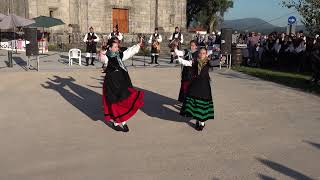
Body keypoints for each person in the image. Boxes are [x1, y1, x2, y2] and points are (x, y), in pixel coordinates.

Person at [100, 37, 144, 132]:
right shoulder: (107, 56)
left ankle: (118, 121)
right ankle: (121, 121)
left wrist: (138, 45)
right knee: (116, 101)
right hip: (112, 82)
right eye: (115, 46)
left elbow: (128, 52)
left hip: (122, 80)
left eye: (117, 46)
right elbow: (102, 59)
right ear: (110, 48)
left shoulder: (119, 54)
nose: (117, 48)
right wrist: (103, 51)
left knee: (124, 99)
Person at [175, 47, 214, 131]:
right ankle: (197, 120)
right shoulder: (194, 61)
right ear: (198, 54)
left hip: (204, 86)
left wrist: (222, 59)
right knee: (195, 104)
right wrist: (178, 58)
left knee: (202, 104)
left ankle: (202, 121)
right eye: (200, 53)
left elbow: (216, 62)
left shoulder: (208, 62)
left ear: (206, 54)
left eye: (204, 53)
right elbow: (186, 63)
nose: (202, 54)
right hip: (195, 85)